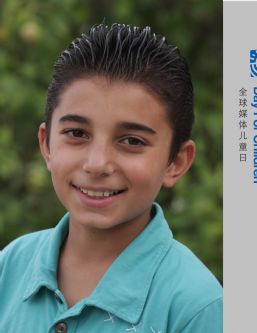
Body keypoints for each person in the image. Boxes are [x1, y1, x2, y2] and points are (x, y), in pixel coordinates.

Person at [0, 23, 222, 332]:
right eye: (77, 133)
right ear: (46, 144)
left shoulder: (196, 307)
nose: (97, 164)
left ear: (176, 162)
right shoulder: (9, 267)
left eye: (132, 141)